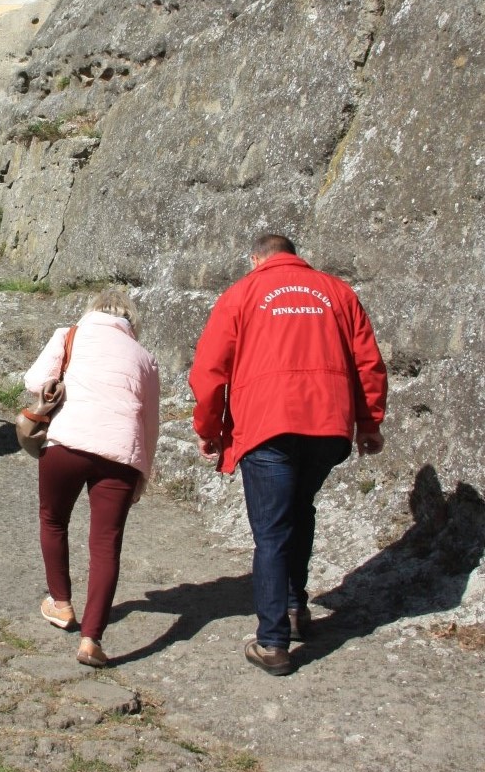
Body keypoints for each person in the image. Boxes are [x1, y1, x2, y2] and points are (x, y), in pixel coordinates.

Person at [189, 231, 387, 676]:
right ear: (295, 258)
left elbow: (209, 368)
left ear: (256, 258)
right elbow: (368, 363)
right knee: (300, 509)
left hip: (266, 426)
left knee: (273, 530)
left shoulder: (242, 292)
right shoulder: (338, 293)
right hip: (328, 426)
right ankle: (296, 608)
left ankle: (273, 641)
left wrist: (210, 428)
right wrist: (369, 421)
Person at [24, 287, 160, 669]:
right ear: (130, 322)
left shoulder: (70, 334)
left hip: (67, 441)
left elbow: (35, 380)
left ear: (92, 311)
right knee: (106, 544)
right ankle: (91, 640)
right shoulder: (145, 358)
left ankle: (61, 604)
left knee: (53, 519)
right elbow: (150, 423)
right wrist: (142, 475)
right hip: (120, 454)